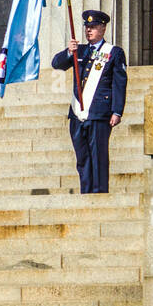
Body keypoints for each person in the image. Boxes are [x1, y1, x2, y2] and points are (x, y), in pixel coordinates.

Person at [51, 10, 127, 194]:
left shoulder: (113, 52)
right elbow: (56, 64)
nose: (89, 30)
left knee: (98, 156)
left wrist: (117, 111)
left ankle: (99, 192)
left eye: (93, 27)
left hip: (99, 112)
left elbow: (119, 83)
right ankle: (86, 191)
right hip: (78, 113)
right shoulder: (81, 50)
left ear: (103, 28)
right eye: (87, 27)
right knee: (82, 156)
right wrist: (69, 51)